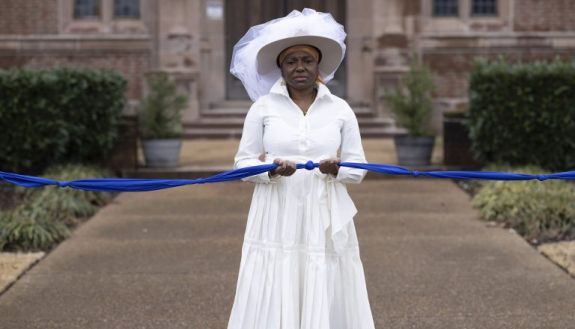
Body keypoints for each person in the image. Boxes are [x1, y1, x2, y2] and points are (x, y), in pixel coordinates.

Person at [227, 9, 375, 329]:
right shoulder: (263, 108)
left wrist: (337, 169)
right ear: (281, 66)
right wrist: (270, 170)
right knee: (278, 270)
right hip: (276, 211)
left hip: (325, 210)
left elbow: (359, 166)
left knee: (326, 269)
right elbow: (243, 162)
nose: (299, 67)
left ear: (318, 65)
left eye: (307, 60)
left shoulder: (340, 109)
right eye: (291, 61)